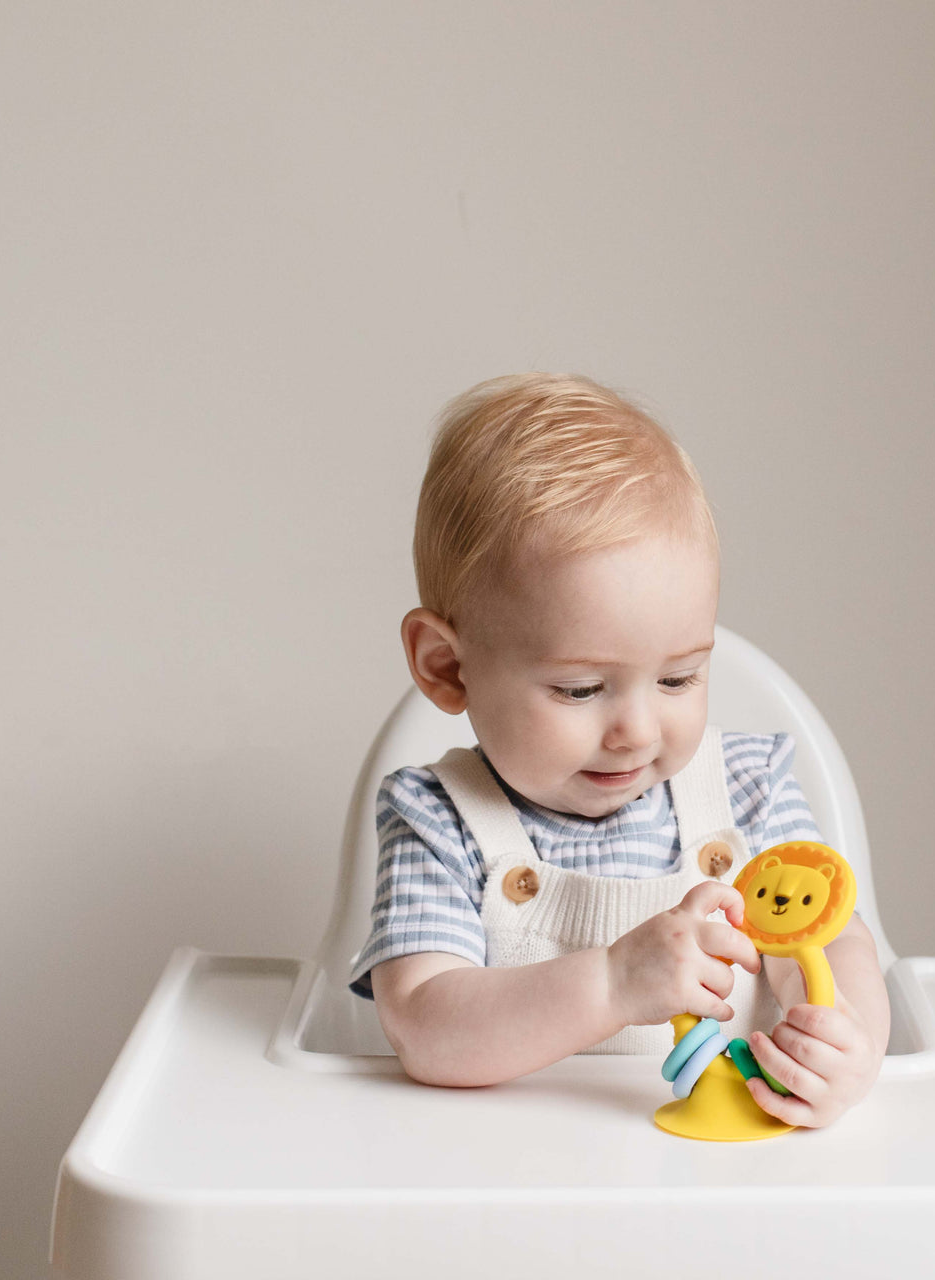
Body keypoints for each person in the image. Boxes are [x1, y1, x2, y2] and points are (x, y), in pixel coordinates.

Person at [349, 373, 888, 1128]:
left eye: (678, 677)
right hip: (511, 1176)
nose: (636, 729)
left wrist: (845, 1045)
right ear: (447, 666)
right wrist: (610, 985)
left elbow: (829, 943)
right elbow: (427, 1028)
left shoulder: (749, 789)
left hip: (730, 1170)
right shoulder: (438, 819)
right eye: (579, 689)